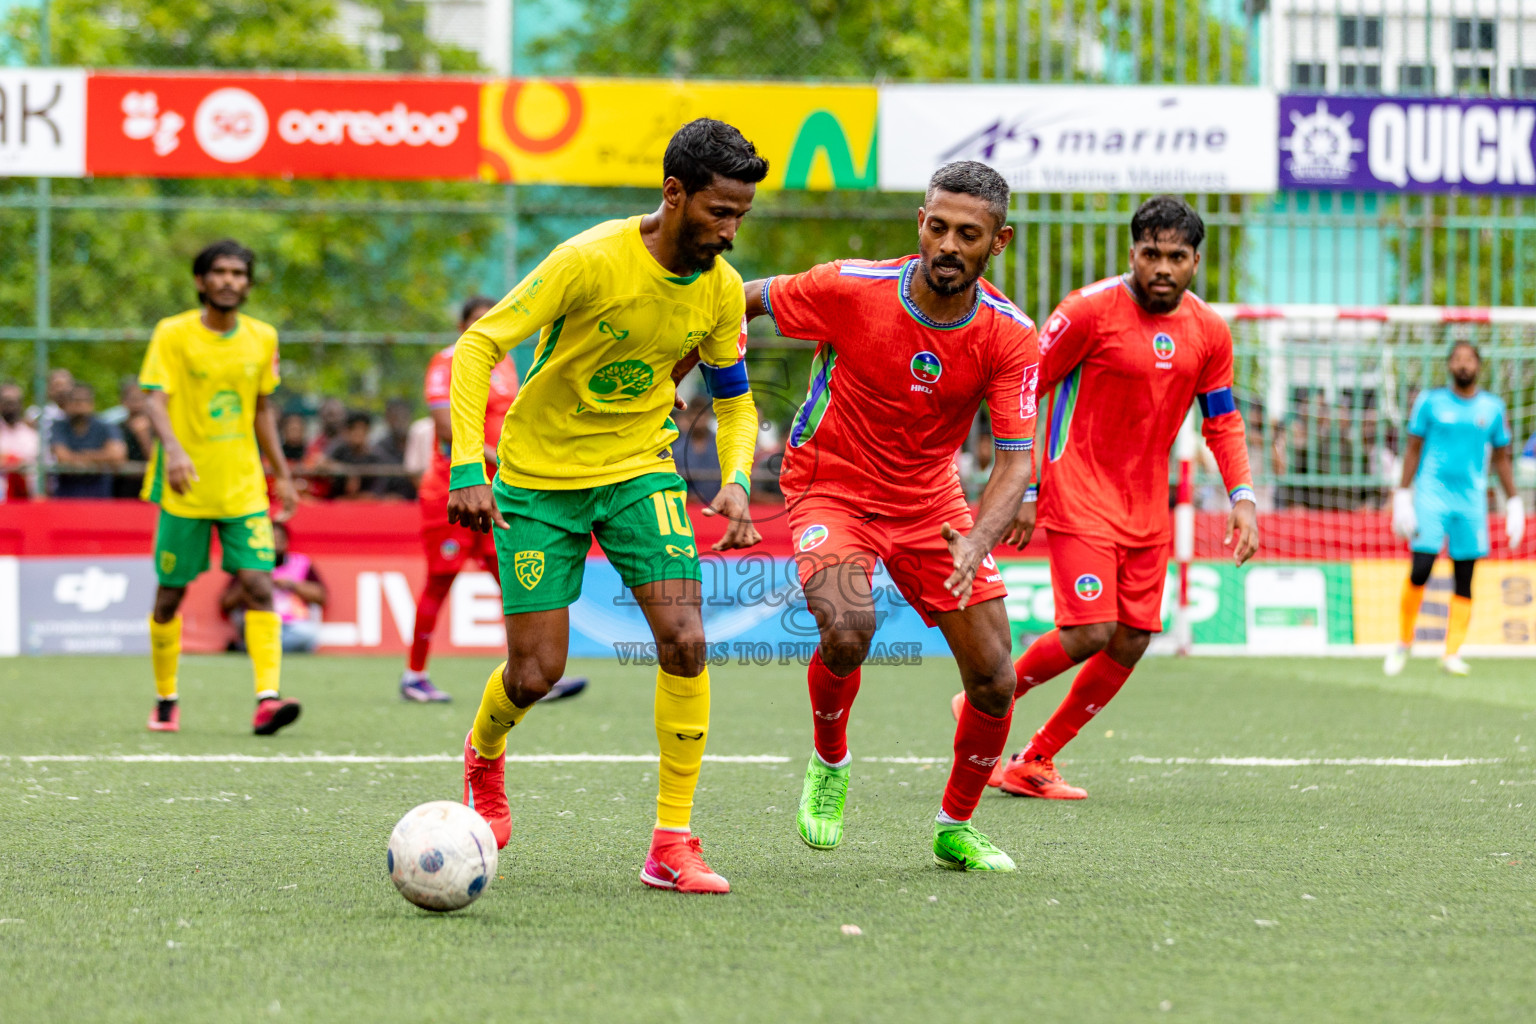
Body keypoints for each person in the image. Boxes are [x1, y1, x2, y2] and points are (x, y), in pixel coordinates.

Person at [452, 118, 767, 894]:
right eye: (719, 212)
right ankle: (484, 755)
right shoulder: (588, 260)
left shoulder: (722, 290)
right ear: (674, 193)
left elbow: (734, 400)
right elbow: (479, 346)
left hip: (639, 472)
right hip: (538, 477)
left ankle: (671, 842)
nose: (730, 232)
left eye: (741, 215)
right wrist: (466, 466)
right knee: (536, 673)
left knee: (686, 640)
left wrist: (735, 478)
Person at [741, 160, 1038, 872]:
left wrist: (977, 539)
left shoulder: (1010, 334)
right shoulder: (849, 286)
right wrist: (676, 377)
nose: (948, 245)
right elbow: (739, 300)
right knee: (848, 629)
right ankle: (830, 762)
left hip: (930, 502)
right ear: (920, 223)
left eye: (968, 234)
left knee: (995, 677)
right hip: (830, 484)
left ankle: (955, 826)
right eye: (938, 227)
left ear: (998, 242)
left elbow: (1015, 462)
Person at [971, 195, 1259, 800]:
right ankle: (989, 691)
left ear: (1195, 261)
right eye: (1151, 254)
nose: (1162, 267)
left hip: (1147, 507)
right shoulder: (1087, 311)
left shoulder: (1210, 331)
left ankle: (1035, 758)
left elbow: (1223, 420)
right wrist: (1026, 484)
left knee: (1132, 638)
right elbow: (1026, 388)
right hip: (1077, 490)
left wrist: (1242, 496)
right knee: (1091, 630)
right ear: (1132, 253)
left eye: (1176, 256)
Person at [139, 239, 301, 736]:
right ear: (201, 280)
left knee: (259, 585)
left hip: (244, 489)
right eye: (221, 272)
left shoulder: (262, 337)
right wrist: (174, 450)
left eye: (239, 273)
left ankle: (267, 700)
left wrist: (282, 474)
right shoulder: (172, 333)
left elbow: (262, 410)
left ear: (248, 284)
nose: (230, 281)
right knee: (169, 597)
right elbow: (153, 401)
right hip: (185, 486)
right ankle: (166, 698)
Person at [399, 295, 588, 704]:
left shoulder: (505, 365)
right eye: (476, 320)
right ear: (461, 326)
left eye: (491, 318)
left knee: (513, 581)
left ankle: (533, 672)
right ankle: (414, 676)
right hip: (453, 490)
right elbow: (446, 428)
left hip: (499, 492)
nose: (485, 325)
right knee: (439, 581)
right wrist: (501, 458)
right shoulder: (447, 361)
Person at [1385, 343, 1523, 677]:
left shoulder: (1492, 408)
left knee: (1465, 575)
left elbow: (1501, 458)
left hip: (1471, 500)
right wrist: (1402, 494)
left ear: (1479, 366)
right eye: (1457, 359)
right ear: (1449, 365)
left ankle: (1451, 652)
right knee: (1421, 568)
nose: (1463, 365)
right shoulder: (1430, 402)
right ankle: (1404, 641)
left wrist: (1514, 501)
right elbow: (1413, 449)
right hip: (1432, 495)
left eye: (1469, 359)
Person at [222, 521, 327, 653]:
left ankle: (251, 648)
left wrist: (292, 585)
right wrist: (254, 583)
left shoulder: (301, 563)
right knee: (253, 632)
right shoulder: (249, 567)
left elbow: (321, 596)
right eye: (271, 540)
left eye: (279, 540)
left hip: (293, 626)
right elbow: (226, 603)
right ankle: (265, 647)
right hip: (260, 623)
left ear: (286, 542)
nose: (276, 544)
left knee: (308, 636)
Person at [51, 384, 127, 498]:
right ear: (66, 404)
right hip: (67, 493)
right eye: (75, 400)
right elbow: (62, 457)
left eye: (84, 400)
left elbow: (117, 456)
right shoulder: (59, 426)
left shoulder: (105, 425)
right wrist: (100, 457)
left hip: (99, 492)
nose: (80, 405)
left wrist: (78, 457)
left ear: (92, 403)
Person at [104, 375, 154, 498]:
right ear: (123, 401)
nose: (137, 403)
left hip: (150, 486)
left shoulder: (159, 428)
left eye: (142, 398)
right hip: (121, 489)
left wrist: (143, 436)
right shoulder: (115, 427)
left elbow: (155, 459)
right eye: (133, 398)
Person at [326, 410, 390, 499]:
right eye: (354, 429)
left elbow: (377, 492)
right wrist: (347, 471)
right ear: (347, 431)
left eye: (362, 429)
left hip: (365, 504)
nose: (358, 433)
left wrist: (351, 499)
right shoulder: (339, 450)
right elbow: (321, 463)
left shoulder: (377, 457)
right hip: (336, 503)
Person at [0, 381, 41, 500]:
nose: (11, 407)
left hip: (27, 499)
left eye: (15, 402)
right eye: (7, 402)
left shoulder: (32, 435)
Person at [373, 397, 418, 500]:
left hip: (415, 500)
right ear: (387, 418)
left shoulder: (417, 442)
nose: (400, 421)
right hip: (388, 502)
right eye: (395, 417)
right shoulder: (379, 448)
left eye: (404, 416)